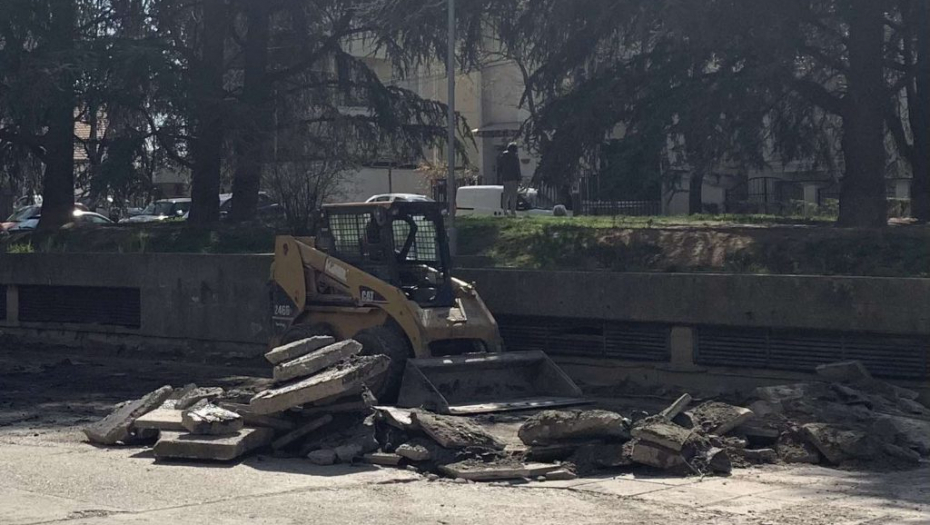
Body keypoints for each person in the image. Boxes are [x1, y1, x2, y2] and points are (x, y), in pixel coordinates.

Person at [497, 142, 522, 217]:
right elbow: (517, 169)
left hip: (505, 178)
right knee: (513, 196)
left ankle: (505, 211)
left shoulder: (503, 157)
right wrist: (519, 178)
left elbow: (500, 168)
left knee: (506, 195)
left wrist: (500, 176)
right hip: (513, 178)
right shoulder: (514, 157)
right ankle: (513, 211)